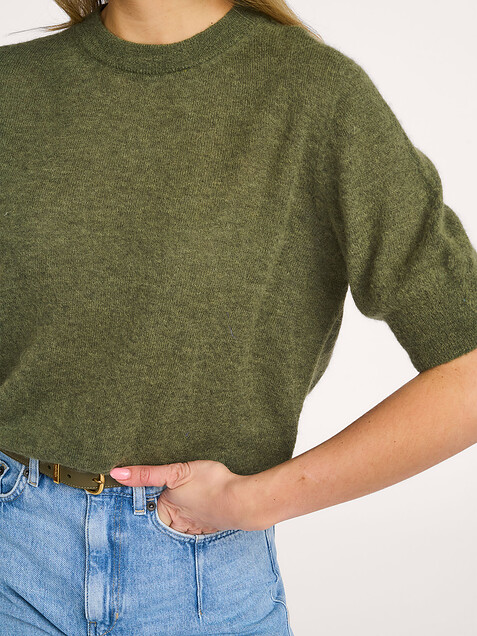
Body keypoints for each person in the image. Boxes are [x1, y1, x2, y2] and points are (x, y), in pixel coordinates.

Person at [1, 0, 477, 633]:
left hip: (202, 577)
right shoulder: (13, 88)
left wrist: (255, 500)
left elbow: (467, 368)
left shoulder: (316, 95)